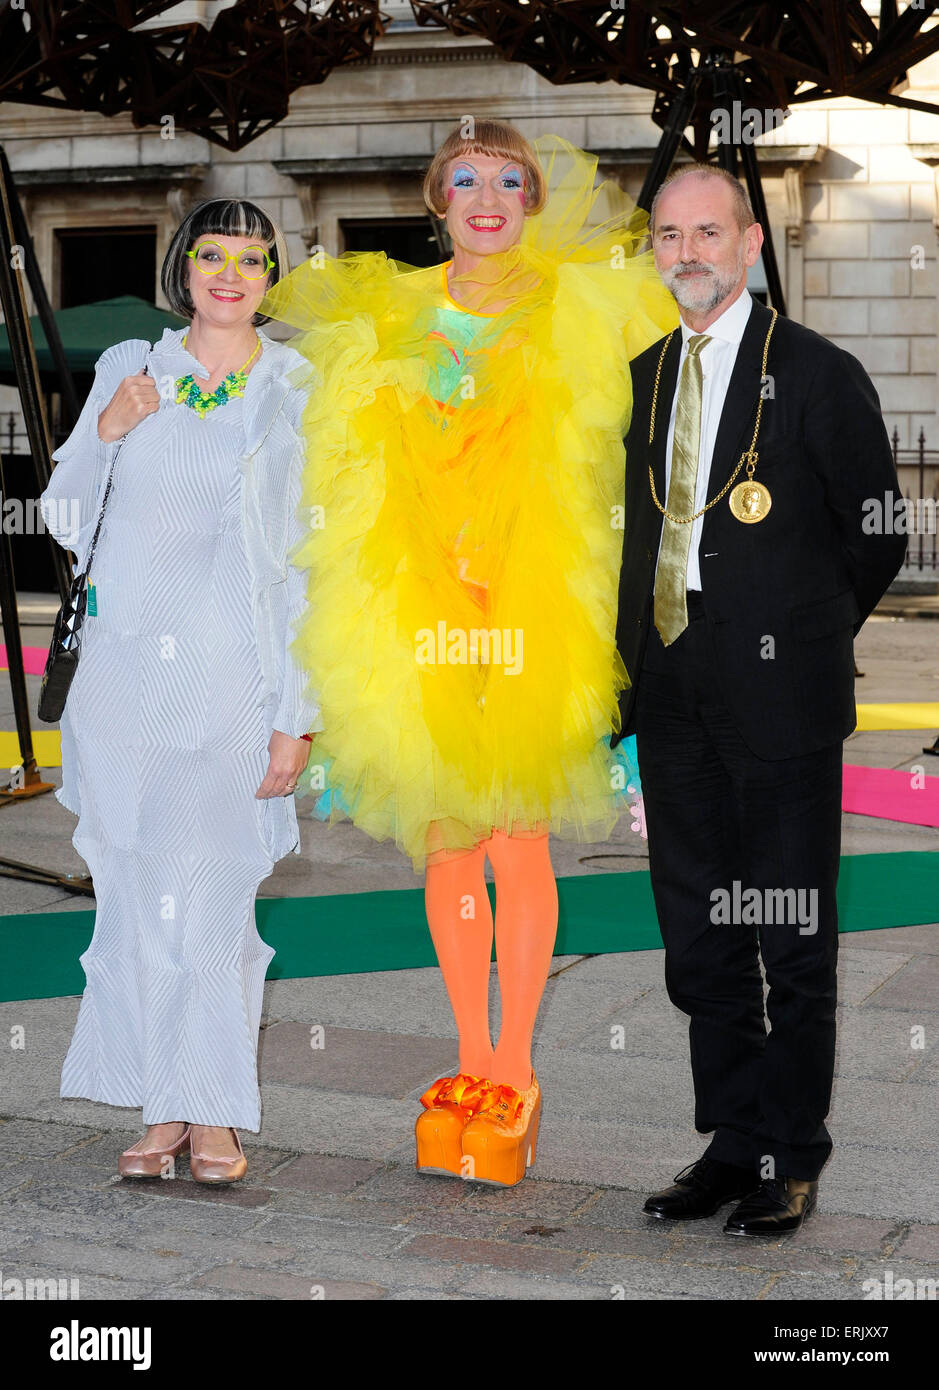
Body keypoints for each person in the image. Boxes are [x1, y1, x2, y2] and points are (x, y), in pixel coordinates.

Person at [260, 121, 676, 1186]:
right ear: (435, 199)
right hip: (419, 608)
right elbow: (341, 462)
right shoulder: (387, 310)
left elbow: (638, 424)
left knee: (517, 836)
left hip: (531, 605)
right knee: (448, 837)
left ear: (533, 198)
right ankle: (467, 1059)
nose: (486, 198)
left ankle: (515, 1072)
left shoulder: (578, 301)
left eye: (507, 180)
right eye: (463, 181)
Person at [613, 164, 907, 1234]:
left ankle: (792, 1151)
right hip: (673, 690)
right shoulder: (643, 376)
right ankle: (731, 1142)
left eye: (708, 233)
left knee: (789, 932)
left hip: (780, 695)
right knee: (697, 934)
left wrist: (802, 635)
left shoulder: (818, 373)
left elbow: (879, 530)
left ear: (749, 247)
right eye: (668, 235)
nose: (687, 252)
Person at [39, 199, 321, 1184]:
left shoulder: (296, 385)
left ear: (272, 276)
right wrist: (107, 433)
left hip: (235, 685)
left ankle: (215, 1116)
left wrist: (298, 715)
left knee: (213, 905)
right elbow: (65, 518)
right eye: (213, 254)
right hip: (123, 686)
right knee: (138, 901)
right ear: (183, 269)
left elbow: (310, 564)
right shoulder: (130, 364)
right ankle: (166, 1109)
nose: (231, 274)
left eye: (253, 258)